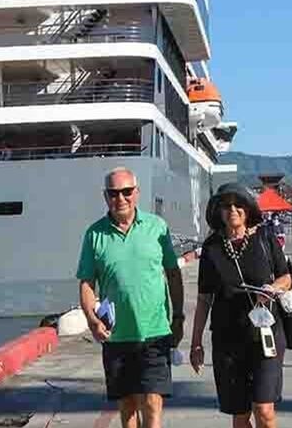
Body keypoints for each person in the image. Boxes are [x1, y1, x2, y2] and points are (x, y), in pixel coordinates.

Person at [77, 167, 185, 428]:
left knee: (152, 402)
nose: (121, 198)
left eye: (127, 192)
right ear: (106, 197)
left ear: (137, 193)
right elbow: (87, 283)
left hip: (155, 330)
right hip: (116, 336)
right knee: (127, 407)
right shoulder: (95, 234)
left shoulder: (157, 227)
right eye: (114, 193)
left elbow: (172, 273)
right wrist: (92, 320)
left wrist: (179, 317)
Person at [189, 183, 292, 428]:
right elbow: (204, 299)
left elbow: (285, 277)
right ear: (218, 211)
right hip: (228, 340)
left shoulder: (265, 237)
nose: (232, 210)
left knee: (264, 410)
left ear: (248, 209)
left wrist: (273, 289)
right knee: (240, 415)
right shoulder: (212, 248)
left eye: (238, 205)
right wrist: (195, 343)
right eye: (226, 206)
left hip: (266, 335)